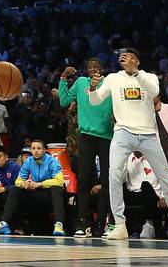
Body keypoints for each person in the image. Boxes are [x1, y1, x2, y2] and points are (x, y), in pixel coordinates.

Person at [87, 48, 168, 241]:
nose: (127, 59)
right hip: (123, 132)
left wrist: (136, 73)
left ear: (137, 61)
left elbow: (155, 92)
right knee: (113, 174)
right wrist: (92, 88)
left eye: (131, 57)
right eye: (124, 57)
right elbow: (96, 101)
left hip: (148, 133)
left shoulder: (149, 77)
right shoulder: (114, 78)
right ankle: (120, 225)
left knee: (166, 179)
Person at [58, 58, 114, 237]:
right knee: (83, 180)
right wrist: (63, 78)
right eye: (89, 67)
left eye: (96, 67)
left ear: (102, 69)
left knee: (106, 180)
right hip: (86, 137)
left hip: (106, 136)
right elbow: (64, 100)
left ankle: (106, 223)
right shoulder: (81, 82)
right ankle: (84, 222)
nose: (92, 70)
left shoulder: (110, 83)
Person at [0, 139, 66, 237]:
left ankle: (59, 225)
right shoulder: (29, 161)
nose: (36, 151)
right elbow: (18, 181)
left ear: (44, 150)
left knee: (56, 188)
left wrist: (40, 184)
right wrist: (24, 184)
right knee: (16, 189)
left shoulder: (52, 161)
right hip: (37, 194)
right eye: (33, 148)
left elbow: (60, 181)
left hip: (50, 194)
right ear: (31, 151)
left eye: (39, 148)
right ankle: (4, 223)